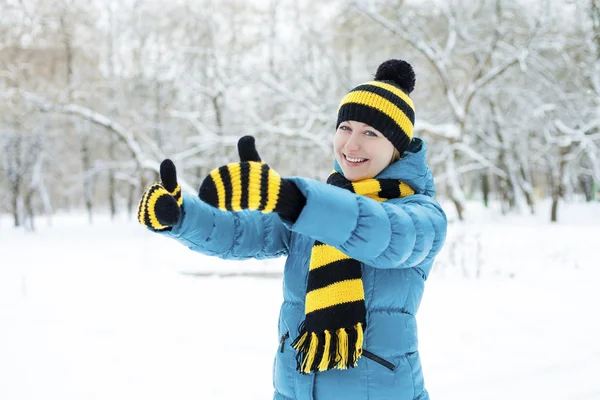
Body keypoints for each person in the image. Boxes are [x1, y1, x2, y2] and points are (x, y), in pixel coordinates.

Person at [137, 59, 447, 400]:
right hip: (294, 387)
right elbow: (244, 231)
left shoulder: (420, 213)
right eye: (345, 127)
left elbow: (382, 233)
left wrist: (292, 200)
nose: (351, 145)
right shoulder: (315, 206)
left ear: (397, 147)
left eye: (370, 133)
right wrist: (181, 216)